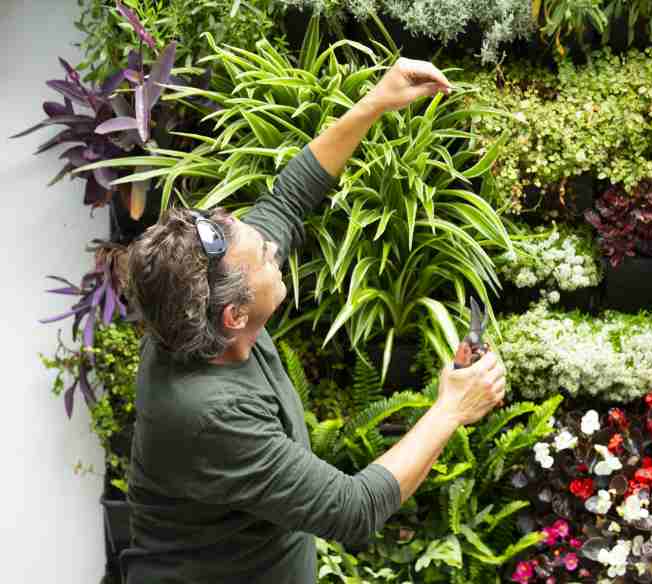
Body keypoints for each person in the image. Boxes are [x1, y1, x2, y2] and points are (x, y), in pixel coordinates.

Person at [121, 57, 507, 584]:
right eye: (266, 256)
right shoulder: (206, 414)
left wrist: (375, 102)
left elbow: (289, 198)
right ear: (234, 314)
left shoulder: (192, 306)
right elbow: (353, 509)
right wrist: (451, 409)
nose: (273, 247)